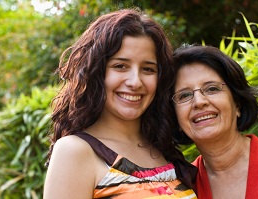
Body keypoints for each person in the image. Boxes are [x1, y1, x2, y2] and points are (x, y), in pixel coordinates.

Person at [43, 9, 197, 199]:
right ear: (97, 72)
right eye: (120, 66)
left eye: (148, 69)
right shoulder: (75, 151)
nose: (135, 82)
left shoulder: (163, 149)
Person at [170, 44, 258, 199]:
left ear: (237, 104)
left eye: (212, 89)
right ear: (175, 118)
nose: (199, 102)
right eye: (184, 95)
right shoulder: (180, 190)